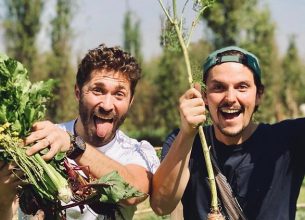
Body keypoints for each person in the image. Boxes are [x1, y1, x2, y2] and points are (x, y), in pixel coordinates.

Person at [2, 44, 160, 220]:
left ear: (130, 102)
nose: (107, 105)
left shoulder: (136, 152)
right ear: (78, 92)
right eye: (98, 90)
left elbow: (135, 193)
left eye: (119, 94)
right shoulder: (42, 140)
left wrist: (72, 146)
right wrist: (3, 197)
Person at [150, 46, 305, 220]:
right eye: (218, 87)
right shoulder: (185, 143)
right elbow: (161, 205)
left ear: (259, 95)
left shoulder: (290, 140)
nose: (230, 98)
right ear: (204, 96)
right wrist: (187, 134)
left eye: (242, 87)